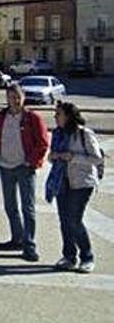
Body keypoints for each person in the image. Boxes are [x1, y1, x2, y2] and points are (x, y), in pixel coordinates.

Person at [0, 83, 50, 262]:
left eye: (17, 97)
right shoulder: (0, 117)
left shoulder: (32, 118)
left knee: (27, 208)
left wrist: (31, 161)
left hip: (24, 168)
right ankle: (17, 238)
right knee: (10, 206)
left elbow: (43, 143)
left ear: (23, 98)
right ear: (6, 98)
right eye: (11, 97)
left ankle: (29, 245)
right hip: (5, 167)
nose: (14, 100)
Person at [50, 102, 104, 273]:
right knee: (64, 221)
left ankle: (87, 257)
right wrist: (54, 156)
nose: (55, 117)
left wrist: (73, 157)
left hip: (82, 183)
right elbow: (52, 157)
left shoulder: (84, 134)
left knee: (74, 220)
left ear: (68, 116)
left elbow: (96, 158)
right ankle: (68, 256)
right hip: (62, 181)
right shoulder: (58, 134)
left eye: (58, 114)